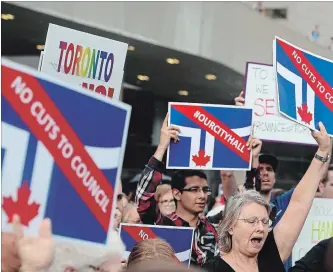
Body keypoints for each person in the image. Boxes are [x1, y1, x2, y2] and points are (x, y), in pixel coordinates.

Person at [204, 122, 331, 272]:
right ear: (230, 226)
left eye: (265, 222)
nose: (260, 228)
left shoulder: (271, 256)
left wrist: (322, 151)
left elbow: (298, 203)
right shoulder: (212, 269)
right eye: (251, 221)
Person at [136, 114, 218, 266]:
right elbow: (143, 200)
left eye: (205, 190)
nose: (202, 195)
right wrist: (162, 148)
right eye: (194, 190)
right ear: (177, 193)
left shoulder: (213, 229)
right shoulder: (163, 225)